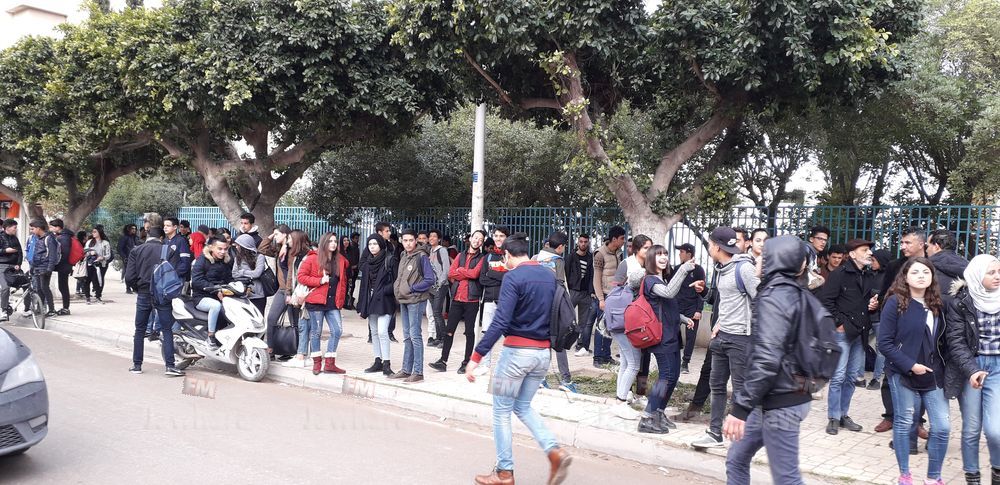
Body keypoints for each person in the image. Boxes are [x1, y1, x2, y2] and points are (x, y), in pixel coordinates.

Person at [463, 233, 572, 485]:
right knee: (522, 406)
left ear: (508, 255)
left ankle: (504, 472)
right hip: (542, 356)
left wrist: (476, 356)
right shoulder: (548, 275)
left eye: (505, 258)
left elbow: (500, 321)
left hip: (515, 355)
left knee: (501, 411)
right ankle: (554, 451)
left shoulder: (512, 277)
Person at [723, 235, 816, 485]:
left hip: (782, 402)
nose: (756, 260)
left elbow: (766, 358)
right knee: (736, 458)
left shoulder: (774, 298)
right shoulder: (796, 293)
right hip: (777, 396)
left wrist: (740, 409)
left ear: (775, 261)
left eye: (763, 256)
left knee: (787, 478)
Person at [878, 257, 950, 485]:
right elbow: (884, 343)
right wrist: (910, 365)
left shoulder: (938, 304)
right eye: (916, 272)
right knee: (904, 422)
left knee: (942, 427)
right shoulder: (895, 302)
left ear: (932, 277)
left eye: (926, 272)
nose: (921, 276)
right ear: (905, 277)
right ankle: (905, 474)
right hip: (903, 372)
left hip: (933, 373)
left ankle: (933, 477)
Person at [689, 227, 761, 449]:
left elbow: (761, 299)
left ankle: (743, 440)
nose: (709, 248)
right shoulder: (721, 269)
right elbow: (728, 302)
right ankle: (715, 433)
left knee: (740, 390)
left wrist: (753, 331)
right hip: (721, 336)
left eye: (710, 244)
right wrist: (720, 322)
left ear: (717, 247)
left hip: (741, 339)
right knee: (717, 386)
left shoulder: (744, 269)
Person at [946, 255, 1000, 485]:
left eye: (999, 271)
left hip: (997, 368)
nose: (997, 276)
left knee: (995, 430)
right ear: (977, 275)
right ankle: (972, 475)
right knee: (971, 427)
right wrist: (971, 370)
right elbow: (956, 341)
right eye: (991, 272)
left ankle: (997, 471)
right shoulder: (960, 302)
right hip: (971, 368)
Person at [636, 245, 699, 434]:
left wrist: (683, 318)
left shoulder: (661, 279)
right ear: (650, 259)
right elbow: (669, 293)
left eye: (665, 254)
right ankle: (646, 418)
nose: (663, 257)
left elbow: (664, 308)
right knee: (665, 377)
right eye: (658, 255)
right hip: (660, 337)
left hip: (672, 334)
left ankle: (659, 412)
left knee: (674, 376)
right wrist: (684, 269)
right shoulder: (650, 280)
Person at [818, 238, 878, 435]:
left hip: (860, 333)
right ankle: (833, 417)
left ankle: (843, 414)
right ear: (852, 254)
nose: (869, 253)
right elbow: (826, 301)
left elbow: (865, 303)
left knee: (852, 377)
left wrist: (872, 306)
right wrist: (839, 324)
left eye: (869, 250)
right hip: (843, 333)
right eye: (864, 250)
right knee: (838, 377)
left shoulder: (868, 275)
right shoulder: (839, 274)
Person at [124, 227, 184, 377]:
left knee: (140, 330)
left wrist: (138, 288)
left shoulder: (136, 250)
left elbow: (129, 277)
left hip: (143, 293)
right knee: (167, 329)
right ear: (162, 238)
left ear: (147, 236)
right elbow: (174, 274)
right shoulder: (168, 250)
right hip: (163, 295)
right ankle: (170, 366)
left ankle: (137, 365)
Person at [429, 230, 485, 374]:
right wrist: (464, 272)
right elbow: (451, 273)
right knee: (449, 331)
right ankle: (443, 361)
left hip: (472, 299)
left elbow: (475, 274)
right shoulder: (460, 255)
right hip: (457, 298)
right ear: (470, 238)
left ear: (482, 243)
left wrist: (461, 271)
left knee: (469, 332)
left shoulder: (482, 258)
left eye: (480, 239)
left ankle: (466, 362)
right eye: (475, 237)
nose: (477, 241)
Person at [297, 232, 350, 375]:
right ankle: (317, 363)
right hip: (316, 302)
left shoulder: (340, 260)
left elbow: (343, 282)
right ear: (324, 242)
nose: (333, 244)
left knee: (337, 330)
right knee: (316, 332)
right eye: (330, 241)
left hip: (333, 303)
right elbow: (301, 277)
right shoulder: (312, 258)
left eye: (335, 241)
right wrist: (319, 281)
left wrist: (341, 300)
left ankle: (330, 364)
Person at [534, 231, 578, 393]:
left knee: (543, 342)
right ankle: (566, 380)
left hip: (537, 305)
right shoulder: (557, 260)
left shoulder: (536, 258)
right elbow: (560, 285)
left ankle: (540, 378)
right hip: (554, 306)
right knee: (560, 341)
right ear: (560, 247)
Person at [390, 228, 435, 383]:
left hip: (416, 299)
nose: (408, 243)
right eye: (405, 240)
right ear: (402, 241)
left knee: (415, 335)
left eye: (411, 240)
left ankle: (418, 372)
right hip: (404, 299)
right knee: (407, 336)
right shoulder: (403, 255)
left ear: (416, 241)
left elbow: (430, 279)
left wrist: (412, 288)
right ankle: (406, 369)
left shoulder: (421, 256)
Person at [259, 228, 309, 362]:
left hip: (293, 290)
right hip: (282, 290)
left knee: (295, 322)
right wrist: (271, 236)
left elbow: (291, 274)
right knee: (271, 319)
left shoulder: (294, 252)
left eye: (277, 234)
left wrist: (290, 292)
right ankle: (270, 350)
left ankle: (295, 350)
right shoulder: (279, 249)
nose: (275, 237)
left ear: (286, 235)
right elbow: (262, 249)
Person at [358, 234, 397, 376]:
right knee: (373, 331)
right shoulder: (368, 263)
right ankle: (378, 361)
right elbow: (364, 285)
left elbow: (396, 281)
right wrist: (361, 304)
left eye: (375, 244)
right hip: (371, 299)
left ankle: (387, 363)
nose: (372, 247)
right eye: (369, 244)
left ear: (381, 244)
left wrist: (383, 291)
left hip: (385, 300)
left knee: (382, 331)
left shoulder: (390, 260)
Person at [591, 226, 626, 367]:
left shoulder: (619, 253)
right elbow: (596, 278)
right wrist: (600, 299)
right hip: (604, 295)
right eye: (622, 238)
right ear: (614, 239)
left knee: (611, 326)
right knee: (601, 327)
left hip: (615, 295)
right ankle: (597, 358)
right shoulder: (600, 254)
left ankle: (606, 356)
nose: (624, 241)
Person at [191, 237, 235, 350]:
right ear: (211, 248)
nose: (223, 252)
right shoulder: (202, 260)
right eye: (219, 249)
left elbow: (229, 279)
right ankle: (211, 337)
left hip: (221, 296)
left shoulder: (226, 261)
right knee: (216, 306)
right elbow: (196, 280)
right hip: (202, 297)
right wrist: (214, 289)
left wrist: (238, 286)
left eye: (225, 249)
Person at [477, 226, 510, 374]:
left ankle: (505, 365)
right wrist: (500, 277)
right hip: (489, 300)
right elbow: (482, 279)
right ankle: (485, 365)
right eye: (496, 236)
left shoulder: (511, 256)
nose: (498, 238)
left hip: (506, 301)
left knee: (508, 335)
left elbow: (511, 278)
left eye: (501, 236)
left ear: (507, 238)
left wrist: (492, 274)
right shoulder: (488, 257)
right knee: (487, 333)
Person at [675, 243, 706, 374]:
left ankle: (685, 363)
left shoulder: (698, 270)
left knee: (690, 337)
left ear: (689, 254)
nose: (679, 254)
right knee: (674, 334)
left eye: (682, 252)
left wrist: (699, 310)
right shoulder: (677, 269)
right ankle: (675, 359)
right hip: (677, 306)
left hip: (692, 307)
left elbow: (701, 291)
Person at [867, 249, 893, 391]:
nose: (871, 263)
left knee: (880, 347)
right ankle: (859, 376)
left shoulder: (887, 277)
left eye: (874, 260)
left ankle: (876, 378)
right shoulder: (871, 274)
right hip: (868, 316)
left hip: (879, 317)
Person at [566, 233, 596, 357]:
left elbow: (592, 275)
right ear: (578, 242)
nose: (583, 244)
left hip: (585, 293)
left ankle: (580, 344)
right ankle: (563, 340)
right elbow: (566, 273)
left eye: (585, 242)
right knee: (566, 316)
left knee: (583, 321)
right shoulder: (571, 257)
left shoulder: (590, 258)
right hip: (573, 291)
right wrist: (568, 288)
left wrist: (591, 291)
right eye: (581, 241)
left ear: (588, 243)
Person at [426, 229, 451, 348]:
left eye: (434, 236)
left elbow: (446, 269)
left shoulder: (442, 250)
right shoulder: (430, 251)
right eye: (430, 236)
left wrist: (439, 284)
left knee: (437, 312)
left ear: (439, 239)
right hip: (431, 286)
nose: (431, 238)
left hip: (441, 286)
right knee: (435, 312)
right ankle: (438, 338)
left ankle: (445, 339)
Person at [28, 219, 58, 317]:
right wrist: (32, 267)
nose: (31, 231)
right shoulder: (38, 238)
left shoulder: (49, 239)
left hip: (45, 268)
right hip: (37, 267)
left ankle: (52, 310)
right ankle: (40, 309)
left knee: (45, 288)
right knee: (39, 289)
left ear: (38, 228)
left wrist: (49, 269)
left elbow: (52, 255)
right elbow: (36, 254)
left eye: (32, 229)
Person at [232, 234, 268, 315]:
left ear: (244, 246)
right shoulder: (237, 258)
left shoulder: (260, 257)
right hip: (243, 294)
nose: (236, 247)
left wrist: (242, 272)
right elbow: (234, 274)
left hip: (258, 295)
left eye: (238, 245)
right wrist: (250, 273)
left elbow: (257, 273)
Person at [49, 219, 74, 316]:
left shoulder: (64, 237)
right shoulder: (63, 236)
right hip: (64, 265)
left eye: (52, 227)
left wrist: (56, 264)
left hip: (64, 265)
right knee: (63, 286)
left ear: (58, 227)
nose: (50, 229)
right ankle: (65, 307)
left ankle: (66, 308)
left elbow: (64, 253)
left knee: (63, 287)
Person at [82, 226, 112, 304]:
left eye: (95, 232)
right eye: (93, 232)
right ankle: (87, 297)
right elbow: (84, 252)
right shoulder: (89, 242)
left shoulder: (105, 243)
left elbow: (108, 255)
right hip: (89, 264)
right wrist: (90, 253)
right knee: (87, 280)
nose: (93, 233)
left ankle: (98, 297)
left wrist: (102, 257)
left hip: (100, 264)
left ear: (100, 232)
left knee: (98, 280)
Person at [0, 219, 22, 321]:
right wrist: (5, 250)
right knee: (5, 287)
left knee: (26, 284)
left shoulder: (15, 238)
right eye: (14, 227)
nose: (15, 229)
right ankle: (3, 310)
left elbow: (20, 252)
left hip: (14, 266)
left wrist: (18, 264)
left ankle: (28, 309)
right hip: (2, 266)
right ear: (7, 228)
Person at [806, 225, 832, 290]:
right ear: (811, 239)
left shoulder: (813, 253)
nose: (823, 242)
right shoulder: (806, 250)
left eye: (825, 240)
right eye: (820, 239)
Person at [118, 224, 139, 294]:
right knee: (128, 273)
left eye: (135, 229)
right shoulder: (124, 238)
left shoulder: (136, 238)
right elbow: (120, 249)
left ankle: (135, 288)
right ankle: (128, 288)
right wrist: (124, 257)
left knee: (136, 273)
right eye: (132, 228)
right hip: (128, 258)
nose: (134, 230)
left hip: (136, 258)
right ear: (128, 229)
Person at [342, 234, 360, 310]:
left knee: (351, 286)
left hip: (353, 270)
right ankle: (346, 302)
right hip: (348, 271)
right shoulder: (351, 248)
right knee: (348, 287)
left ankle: (348, 302)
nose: (357, 239)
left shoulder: (354, 248)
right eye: (356, 238)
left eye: (347, 240)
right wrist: (352, 267)